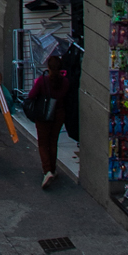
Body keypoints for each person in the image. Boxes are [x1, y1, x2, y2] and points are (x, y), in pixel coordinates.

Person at [28, 42, 74, 189]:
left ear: (48, 67)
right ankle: (53, 169)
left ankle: (47, 170)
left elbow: (31, 95)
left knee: (43, 143)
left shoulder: (43, 81)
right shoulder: (65, 82)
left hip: (43, 115)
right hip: (59, 114)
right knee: (53, 142)